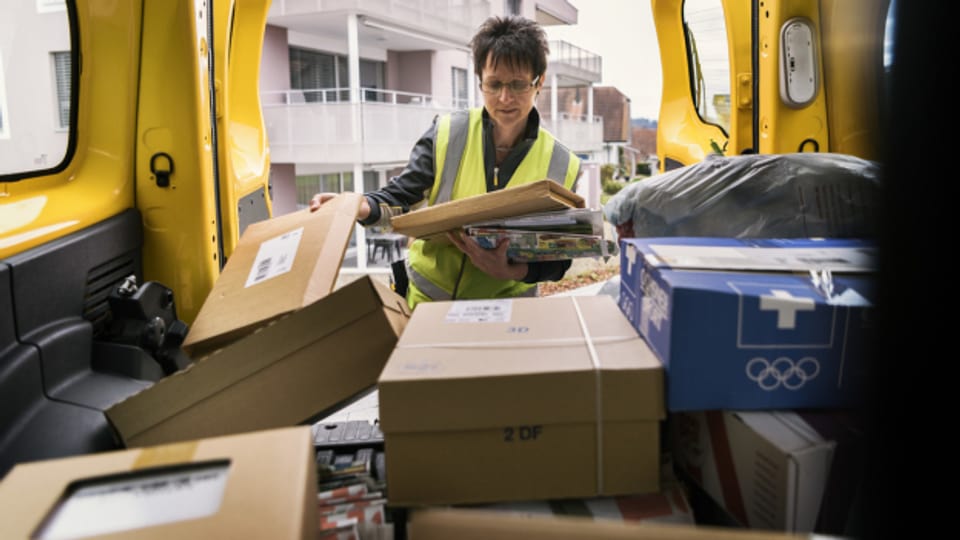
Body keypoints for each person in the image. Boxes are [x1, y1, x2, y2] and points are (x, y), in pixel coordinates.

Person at [310, 15, 582, 309]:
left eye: (517, 85)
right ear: (480, 82)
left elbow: (559, 256)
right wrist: (357, 205)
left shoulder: (561, 163)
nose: (505, 98)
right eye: (494, 84)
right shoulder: (447, 134)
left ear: (538, 82)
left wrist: (514, 271)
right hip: (428, 307)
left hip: (507, 314)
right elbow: (401, 198)